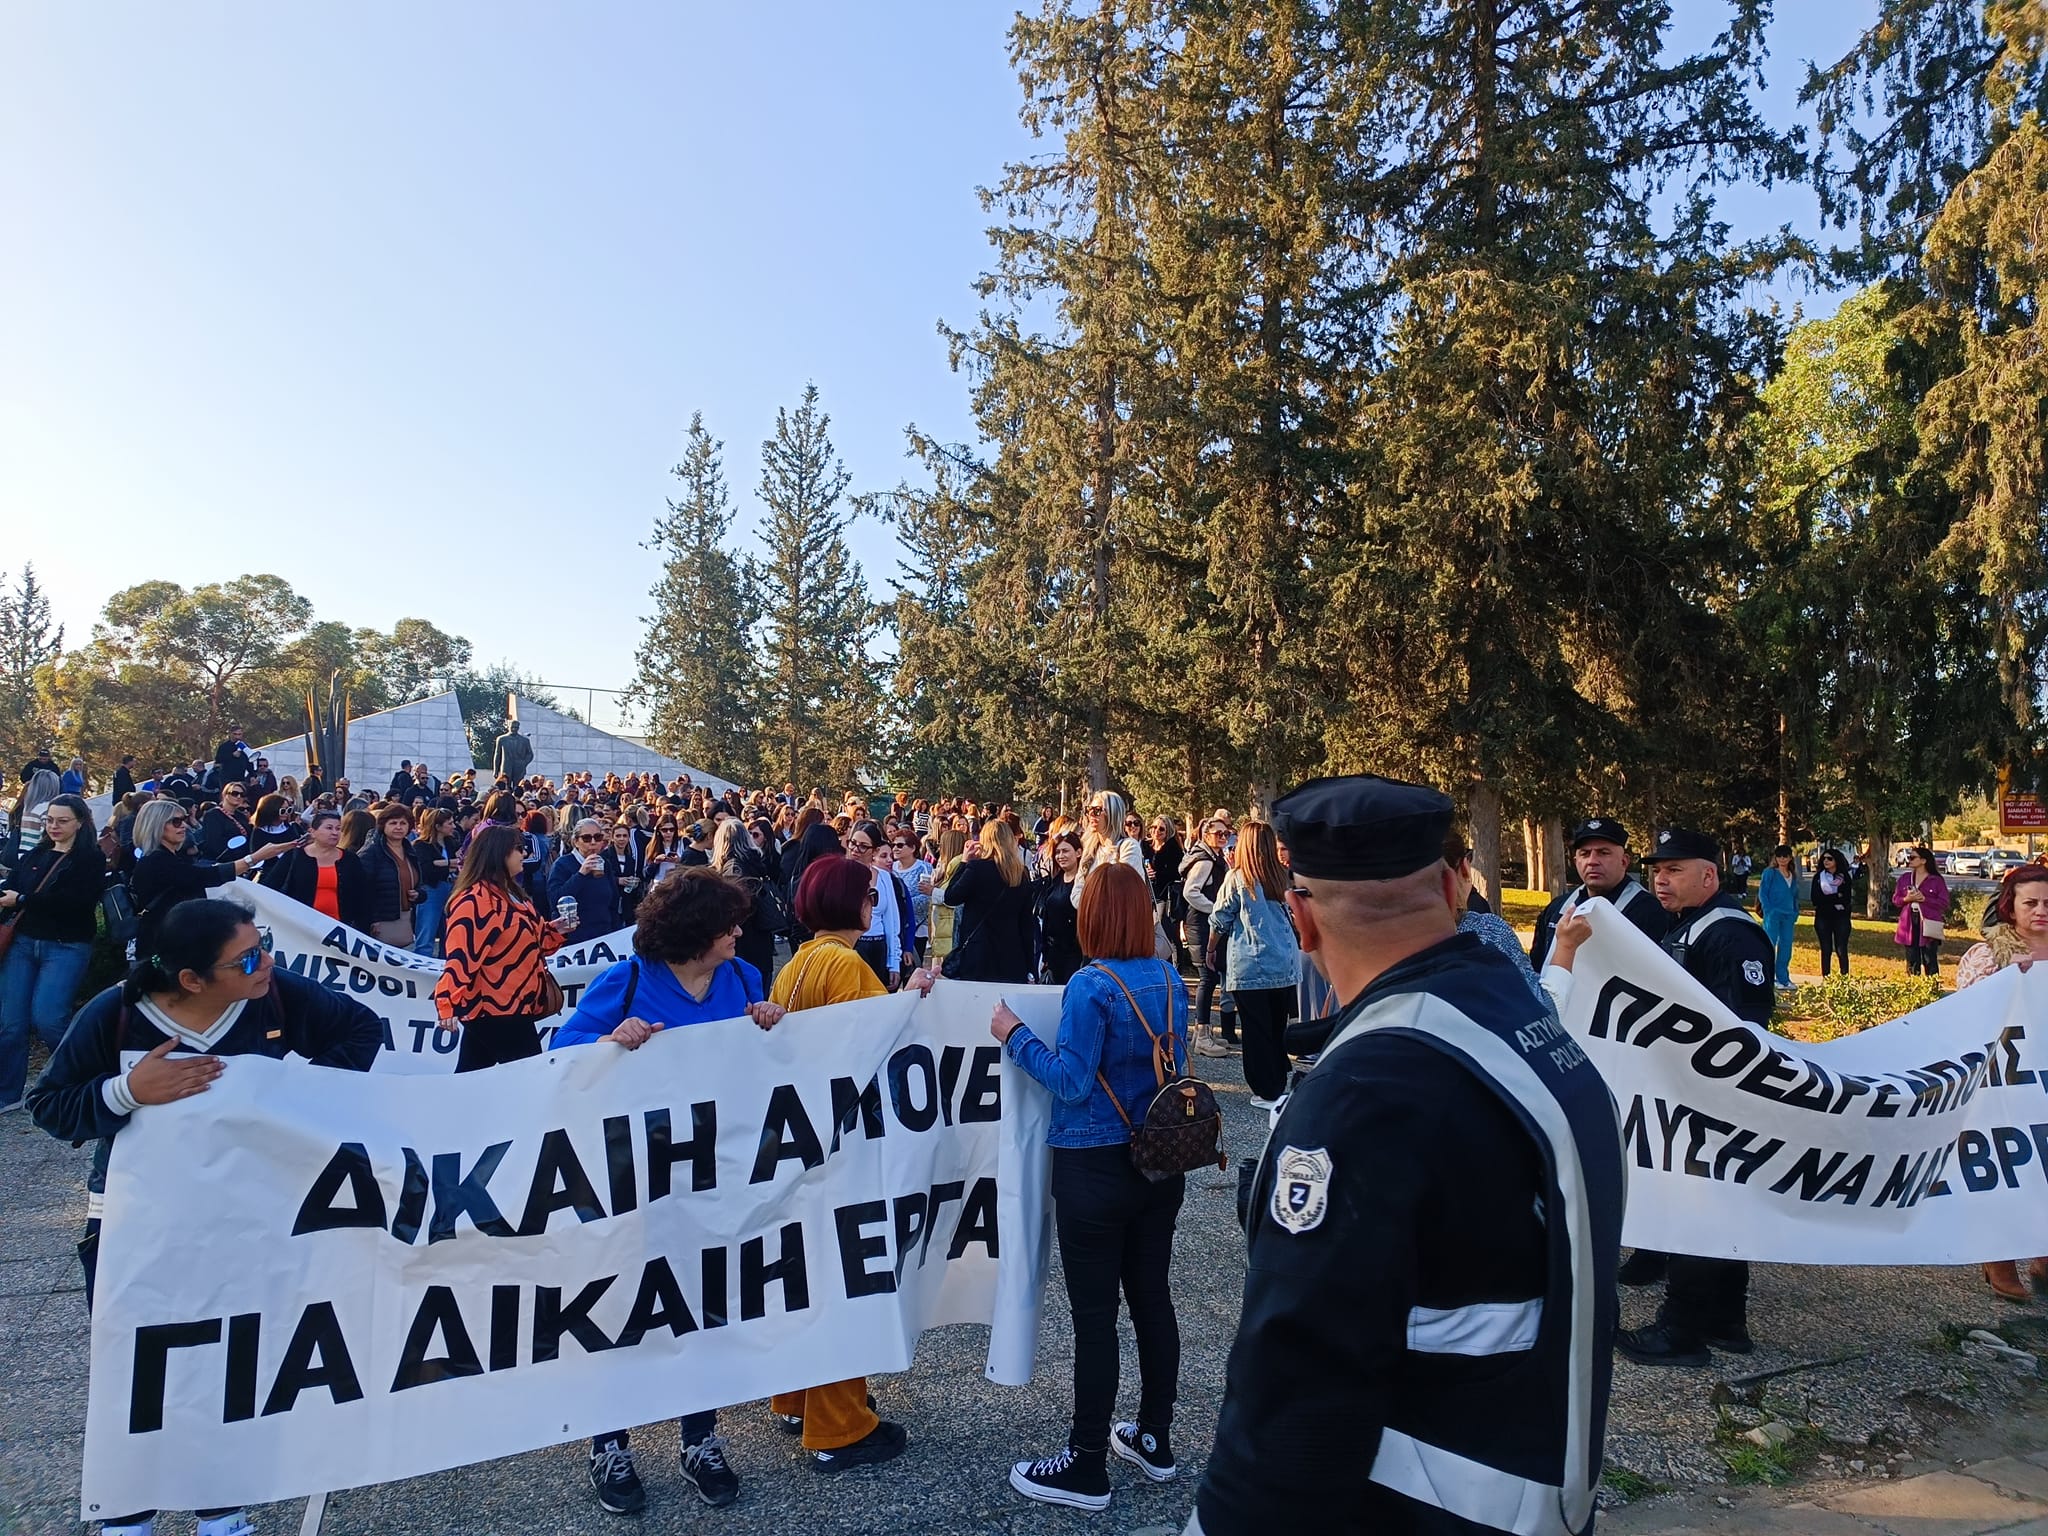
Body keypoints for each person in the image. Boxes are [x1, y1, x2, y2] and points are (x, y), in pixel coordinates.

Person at [1190, 776, 1623, 1534]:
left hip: (1433, 1500)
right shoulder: (1519, 1018)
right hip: (1539, 1479)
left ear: (1299, 920)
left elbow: (1294, 1392)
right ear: (1455, 887)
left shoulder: (1372, 1088)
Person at [26, 897, 381, 1536]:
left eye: (264, 942)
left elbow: (360, 1030)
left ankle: (222, 1509)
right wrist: (126, 1092)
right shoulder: (117, 1016)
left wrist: (299, 1098)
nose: (266, 960)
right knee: (139, 1366)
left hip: (246, 1217)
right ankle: (128, 1513)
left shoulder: (274, 997)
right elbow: (50, 1105)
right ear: (191, 980)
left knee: (230, 1359)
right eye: (247, 956)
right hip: (135, 1224)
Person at [551, 868, 787, 1515]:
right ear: (694, 932)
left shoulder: (740, 979)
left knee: (702, 1307)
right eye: (727, 924)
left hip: (709, 1178)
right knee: (625, 1306)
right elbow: (558, 1055)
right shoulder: (626, 981)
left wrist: (768, 1021)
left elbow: (759, 1064)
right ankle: (610, 1444)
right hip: (633, 1181)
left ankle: (699, 1438)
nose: (740, 931)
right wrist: (608, 1040)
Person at [990, 863, 1191, 1510]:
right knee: (1153, 1301)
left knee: (1095, 1320)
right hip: (1161, 1162)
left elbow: (1072, 1081)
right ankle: (1154, 1437)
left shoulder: (1088, 985)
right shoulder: (1168, 977)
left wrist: (1014, 1036)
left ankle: (1085, 1462)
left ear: (1093, 916)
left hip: (1094, 1167)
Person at [766, 856, 933, 1471]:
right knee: (845, 1276)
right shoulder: (842, 962)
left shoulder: (799, 964)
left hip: (807, 1139)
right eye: (867, 893)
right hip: (845, 1140)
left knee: (808, 1274)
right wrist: (910, 999)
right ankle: (839, 1426)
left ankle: (794, 1398)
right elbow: (876, 1041)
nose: (874, 901)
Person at [1616, 827, 1776, 1365]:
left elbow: (1744, 1028)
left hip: (1714, 1098)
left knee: (1697, 1209)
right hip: (1687, 1091)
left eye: (1674, 870)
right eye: (1656, 870)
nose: (1660, 879)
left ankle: (1681, 1330)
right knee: (1720, 1210)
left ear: (1709, 875)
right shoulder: (1688, 925)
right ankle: (1726, 1323)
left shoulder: (1730, 934)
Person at [1956, 865, 2048, 1300]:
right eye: (2031, 902)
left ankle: (2043, 1254)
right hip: (2005, 1080)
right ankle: (1999, 1258)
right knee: (2009, 1166)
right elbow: (1968, 1011)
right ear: (2011, 906)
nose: (2041, 911)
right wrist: (2013, 977)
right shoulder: (1987, 955)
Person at [435, 825, 580, 1072]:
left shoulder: (511, 893)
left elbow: (531, 940)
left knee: (472, 1075)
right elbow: (462, 954)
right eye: (518, 849)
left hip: (512, 1004)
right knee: (529, 1078)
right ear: (498, 853)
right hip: (496, 1007)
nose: (524, 854)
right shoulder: (475, 899)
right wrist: (447, 1000)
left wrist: (555, 931)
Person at [0, 795, 105, 1111]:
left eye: (62, 820)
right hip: (23, 942)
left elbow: (77, 904)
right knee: (10, 1022)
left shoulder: (90, 859)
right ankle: (8, 1093)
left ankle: (82, 1079)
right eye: (50, 820)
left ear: (80, 822)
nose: (54, 826)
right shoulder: (36, 853)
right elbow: (14, 889)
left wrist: (22, 900)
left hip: (65, 945)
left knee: (49, 1018)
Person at [1206, 819, 1301, 1107]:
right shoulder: (1280, 876)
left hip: (1251, 964)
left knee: (1255, 1030)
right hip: (1284, 963)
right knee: (1275, 1026)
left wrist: (1211, 949)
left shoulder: (1238, 878)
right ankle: (1278, 1081)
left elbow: (1220, 918)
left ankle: (1264, 1089)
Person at [129, 800, 298, 959]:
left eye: (184, 819)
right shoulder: (157, 861)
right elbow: (206, 876)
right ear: (157, 825)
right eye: (176, 822)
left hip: (176, 940)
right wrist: (254, 857)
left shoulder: (168, 858)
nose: (184, 826)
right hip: (164, 947)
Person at [1527, 817, 1668, 967]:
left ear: (1624, 861)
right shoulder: (1557, 908)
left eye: (1603, 853)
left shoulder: (1648, 912)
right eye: (1585, 854)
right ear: (1575, 861)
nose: (1592, 861)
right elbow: (1535, 967)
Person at [942, 820, 1038, 982]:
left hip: (978, 955)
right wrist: (1030, 966)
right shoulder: (1020, 874)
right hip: (1012, 956)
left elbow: (951, 897)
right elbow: (1026, 924)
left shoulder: (977, 869)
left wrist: (964, 862)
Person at [258, 808, 372, 932]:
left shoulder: (350, 859)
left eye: (338, 829)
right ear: (312, 832)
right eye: (329, 828)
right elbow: (270, 886)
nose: (334, 833)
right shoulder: (294, 856)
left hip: (341, 928)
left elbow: (363, 896)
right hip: (301, 928)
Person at [1181, 818, 1237, 1054]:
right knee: (1207, 976)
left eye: (1226, 833)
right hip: (1200, 924)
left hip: (1204, 923)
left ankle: (1201, 1032)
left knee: (1210, 976)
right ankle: (1202, 1033)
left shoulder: (1214, 858)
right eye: (1218, 833)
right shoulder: (1204, 861)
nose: (1223, 837)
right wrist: (1215, 908)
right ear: (1206, 835)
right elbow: (1190, 892)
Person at [711, 817, 782, 982]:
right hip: (761, 942)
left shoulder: (733, 869)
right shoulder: (755, 862)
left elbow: (737, 910)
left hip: (743, 945)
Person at [844, 822, 908, 988]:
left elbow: (892, 922)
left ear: (874, 851)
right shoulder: (840, 874)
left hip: (878, 947)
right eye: (853, 843)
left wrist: (894, 962)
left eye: (863, 846)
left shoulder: (884, 877)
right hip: (851, 947)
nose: (856, 849)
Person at [358, 802, 425, 947]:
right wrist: (372, 920)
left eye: (403, 823)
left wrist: (419, 894)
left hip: (406, 918)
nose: (398, 827)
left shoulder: (410, 851)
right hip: (381, 921)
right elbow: (362, 891)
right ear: (384, 825)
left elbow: (419, 883)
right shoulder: (371, 853)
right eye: (393, 823)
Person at [1072, 790, 1146, 908]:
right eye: (1088, 810)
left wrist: (1090, 898)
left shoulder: (1129, 847)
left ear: (1113, 814)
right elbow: (1076, 894)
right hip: (1093, 922)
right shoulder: (1090, 850)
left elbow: (1122, 892)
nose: (1091, 814)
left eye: (1097, 810)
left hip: (1121, 923)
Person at [550, 818, 623, 934]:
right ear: (576, 841)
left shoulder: (604, 863)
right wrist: (581, 874)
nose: (593, 842)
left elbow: (613, 901)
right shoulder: (562, 864)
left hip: (605, 933)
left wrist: (616, 930)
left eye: (598, 837)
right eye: (587, 838)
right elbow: (555, 900)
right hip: (575, 938)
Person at [1034, 829, 1086, 983]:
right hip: (1053, 954)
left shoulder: (1083, 884)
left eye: (1065, 851)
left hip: (1076, 955)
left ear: (1078, 853)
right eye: (1057, 852)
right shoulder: (1055, 881)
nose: (1060, 856)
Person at [1892, 846, 1951, 977]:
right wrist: (1907, 898)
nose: (1909, 860)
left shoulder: (1936, 880)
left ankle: (1932, 988)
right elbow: (1896, 900)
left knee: (1929, 957)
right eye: (1909, 857)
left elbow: (1944, 903)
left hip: (1929, 921)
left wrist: (1925, 899)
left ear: (1923, 861)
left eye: (1913, 857)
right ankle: (1913, 989)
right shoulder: (1905, 878)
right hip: (1909, 921)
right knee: (1912, 957)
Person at [411, 807, 461, 956]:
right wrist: (449, 864)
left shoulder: (451, 842)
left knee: (449, 932)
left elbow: (461, 862)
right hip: (431, 890)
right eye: (449, 823)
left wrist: (440, 863)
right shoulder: (421, 845)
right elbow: (427, 870)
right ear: (438, 827)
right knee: (427, 932)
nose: (453, 826)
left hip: (450, 888)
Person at [1147, 815, 1188, 969]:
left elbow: (1177, 873)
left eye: (1161, 829)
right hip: (1151, 895)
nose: (1156, 831)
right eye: (1154, 827)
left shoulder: (1174, 849)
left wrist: (1157, 873)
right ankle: (1158, 964)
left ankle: (1176, 968)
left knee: (1169, 933)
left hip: (1167, 896)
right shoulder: (1146, 847)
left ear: (1168, 831)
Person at [889, 827, 935, 963]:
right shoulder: (890, 867)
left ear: (912, 848)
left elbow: (926, 898)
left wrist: (899, 905)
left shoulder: (924, 868)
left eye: (900, 845)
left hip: (918, 927)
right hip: (895, 926)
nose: (895, 848)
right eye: (893, 845)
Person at [1757, 844, 1799, 990]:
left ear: (1790, 858)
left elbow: (1794, 895)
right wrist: (1768, 910)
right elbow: (1763, 892)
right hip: (1773, 914)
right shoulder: (1770, 872)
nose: (1782, 859)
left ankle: (1783, 977)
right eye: (1779, 856)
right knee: (1769, 944)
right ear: (1775, 857)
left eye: (1785, 856)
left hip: (1788, 915)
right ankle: (1768, 976)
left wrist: (1795, 911)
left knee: (1786, 946)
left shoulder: (1792, 874)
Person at [1810, 847, 1855, 977]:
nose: (1826, 861)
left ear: (1836, 860)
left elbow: (1846, 899)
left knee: (1841, 949)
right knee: (1826, 949)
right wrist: (1836, 898)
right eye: (1824, 858)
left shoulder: (1844, 877)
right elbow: (1816, 899)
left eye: (1830, 858)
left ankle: (1844, 978)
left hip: (1841, 918)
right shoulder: (1819, 877)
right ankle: (1826, 977)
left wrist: (1832, 899)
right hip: (1823, 917)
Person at [197, 781, 255, 861]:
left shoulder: (241, 816)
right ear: (225, 794)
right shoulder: (213, 815)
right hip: (221, 860)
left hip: (242, 859)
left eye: (242, 795)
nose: (238, 797)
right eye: (234, 793)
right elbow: (213, 843)